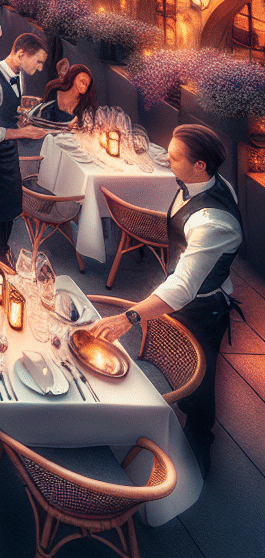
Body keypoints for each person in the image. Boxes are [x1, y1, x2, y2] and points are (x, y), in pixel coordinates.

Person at [90, 125, 242, 477]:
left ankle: (199, 455)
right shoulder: (202, 184)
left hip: (201, 309)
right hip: (179, 296)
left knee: (200, 385)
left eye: (172, 157)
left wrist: (128, 317)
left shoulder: (213, 220)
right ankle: (158, 423)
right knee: (166, 364)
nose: (164, 159)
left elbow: (184, 287)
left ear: (200, 166)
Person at [0, 32, 50, 263]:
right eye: (39, 61)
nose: (41, 68)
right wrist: (23, 132)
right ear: (21, 53)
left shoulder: (18, 75)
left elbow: (4, 112)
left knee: (9, 205)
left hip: (7, 152)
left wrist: (18, 119)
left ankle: (0, 252)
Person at [30, 64, 97, 125]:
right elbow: (40, 114)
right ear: (73, 78)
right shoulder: (53, 92)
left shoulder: (83, 106)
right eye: (82, 81)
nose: (83, 86)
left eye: (86, 85)